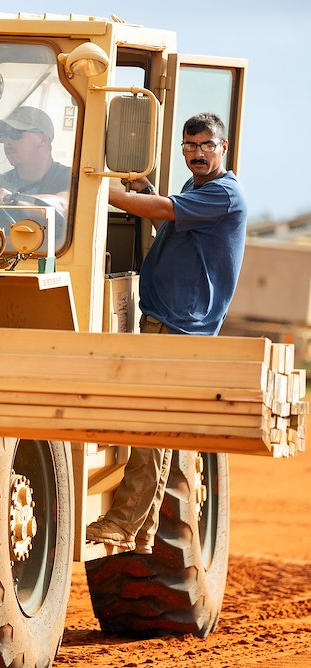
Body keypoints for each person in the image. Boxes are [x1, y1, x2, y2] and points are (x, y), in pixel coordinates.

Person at [86, 111, 247, 554]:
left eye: (206, 145)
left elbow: (165, 211)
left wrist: (99, 191)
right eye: (190, 146)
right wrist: (145, 192)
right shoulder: (197, 189)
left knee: (150, 427)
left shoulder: (223, 194)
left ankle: (124, 524)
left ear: (223, 147)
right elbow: (169, 222)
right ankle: (141, 531)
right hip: (167, 318)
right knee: (152, 427)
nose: (198, 153)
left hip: (181, 326)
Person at [0, 105, 71, 215]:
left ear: (42, 140)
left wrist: (14, 200)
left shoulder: (71, 178)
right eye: (3, 135)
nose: (7, 142)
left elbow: (62, 204)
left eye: (16, 133)